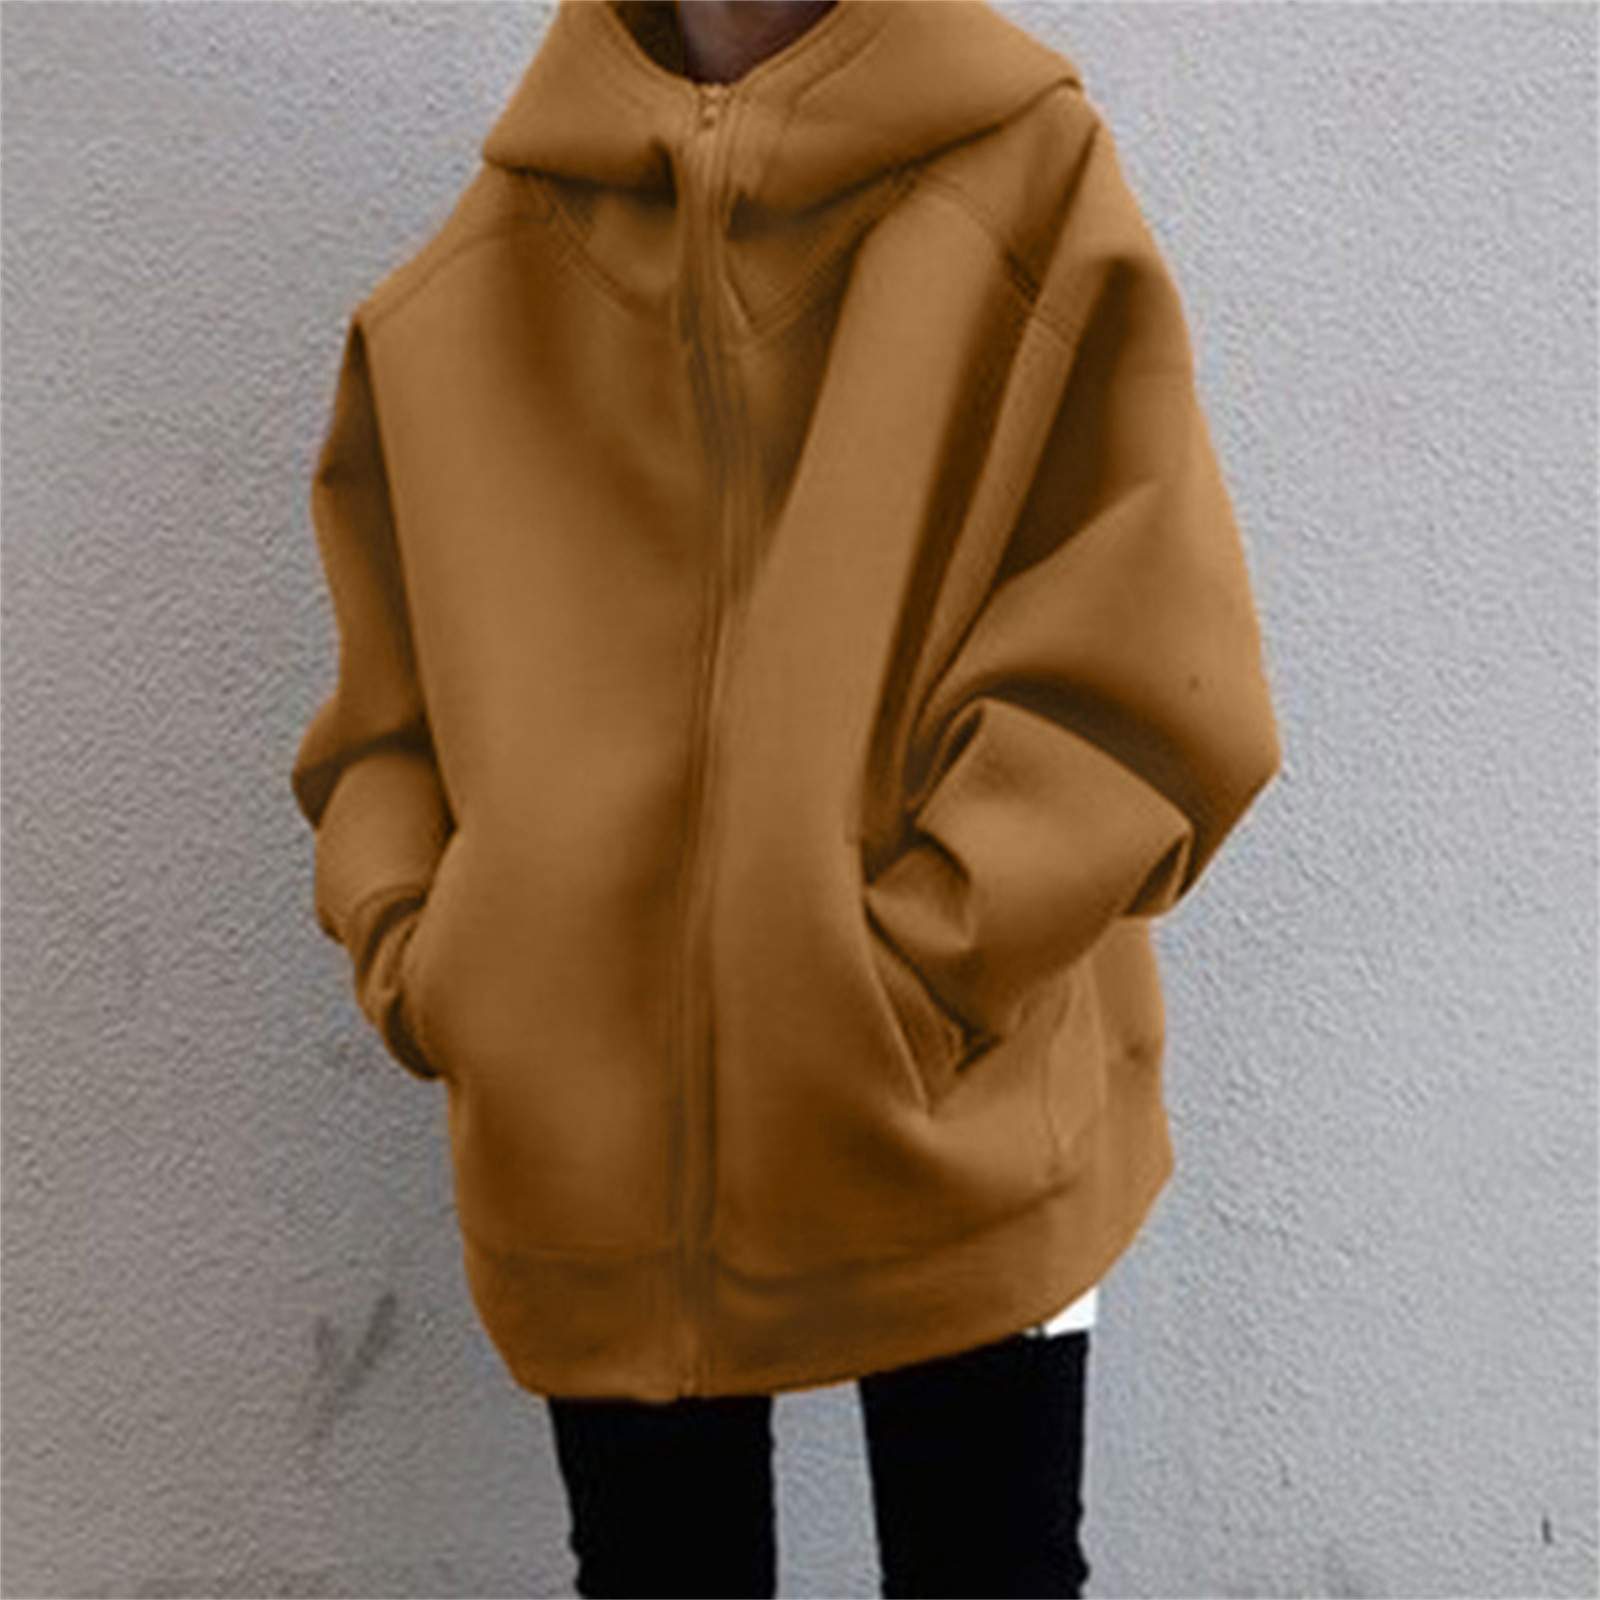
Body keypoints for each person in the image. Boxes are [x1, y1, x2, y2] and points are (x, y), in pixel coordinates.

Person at [288, 1, 1283, 1595]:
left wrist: (923, 965)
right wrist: (448, 968)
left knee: (992, 1572)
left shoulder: (1028, 180)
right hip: (590, 1159)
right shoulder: (479, 274)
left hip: (965, 1107)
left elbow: (1152, 664)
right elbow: (380, 727)